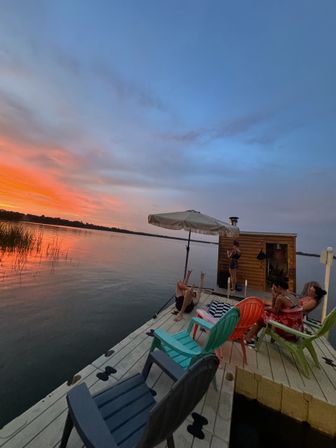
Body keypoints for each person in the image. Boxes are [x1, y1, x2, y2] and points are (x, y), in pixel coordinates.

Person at [245, 278, 303, 343]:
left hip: (288, 330)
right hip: (297, 327)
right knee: (266, 315)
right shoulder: (291, 295)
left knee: (262, 316)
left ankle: (248, 336)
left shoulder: (281, 298)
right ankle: (253, 335)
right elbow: (277, 309)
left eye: (274, 287)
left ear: (278, 287)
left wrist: (273, 296)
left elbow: (274, 310)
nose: (273, 289)